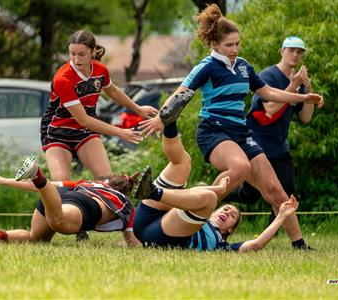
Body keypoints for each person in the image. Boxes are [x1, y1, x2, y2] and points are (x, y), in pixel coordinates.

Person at [139, 4, 323, 250]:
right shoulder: (206, 67)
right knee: (239, 166)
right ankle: (192, 213)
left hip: (241, 133)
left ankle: (300, 245)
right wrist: (160, 119)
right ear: (215, 44)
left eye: (238, 44)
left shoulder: (244, 66)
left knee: (276, 192)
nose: (235, 49)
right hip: (213, 131)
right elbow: (181, 93)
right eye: (229, 45)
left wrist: (303, 97)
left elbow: (267, 92)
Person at [41, 30, 157, 240]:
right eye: (72, 54)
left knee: (108, 183)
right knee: (60, 184)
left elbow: (113, 92)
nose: (76, 59)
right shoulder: (63, 78)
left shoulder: (100, 70)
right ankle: (71, 227)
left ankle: (130, 237)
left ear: (93, 51)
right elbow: (83, 118)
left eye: (81, 54)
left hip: (85, 132)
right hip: (58, 132)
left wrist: (138, 109)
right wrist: (120, 132)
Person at [133, 109, 299, 252]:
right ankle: (170, 125)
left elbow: (256, 244)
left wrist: (282, 216)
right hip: (147, 218)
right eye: (226, 209)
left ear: (229, 230)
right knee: (183, 163)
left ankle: (153, 192)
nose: (226, 213)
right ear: (213, 213)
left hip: (160, 237)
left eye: (232, 215)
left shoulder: (220, 244)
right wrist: (218, 189)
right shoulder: (202, 212)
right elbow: (194, 192)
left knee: (210, 197)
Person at [225, 36, 317, 223]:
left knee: (287, 190)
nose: (295, 54)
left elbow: (305, 118)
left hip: (279, 145)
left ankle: (272, 231)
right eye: (291, 50)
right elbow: (270, 109)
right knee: (249, 196)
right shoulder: (268, 76)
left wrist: (307, 87)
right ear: (282, 51)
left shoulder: (299, 81)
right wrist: (293, 86)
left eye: (299, 51)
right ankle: (212, 192)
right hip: (257, 143)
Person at [0, 156, 140, 246]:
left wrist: (3, 180)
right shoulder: (125, 202)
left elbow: (45, 187)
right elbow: (133, 242)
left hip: (59, 196)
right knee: (60, 223)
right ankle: (37, 175)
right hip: (83, 205)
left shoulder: (85, 183)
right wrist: (124, 243)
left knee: (35, 240)